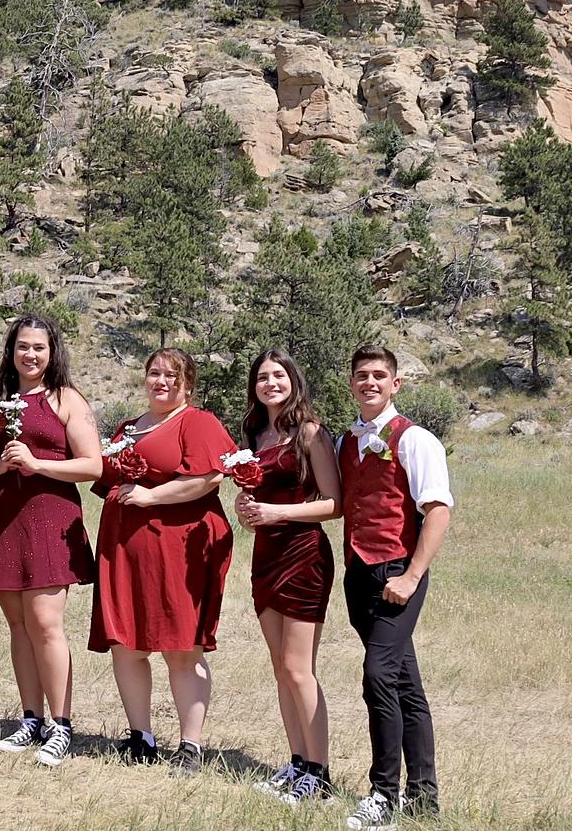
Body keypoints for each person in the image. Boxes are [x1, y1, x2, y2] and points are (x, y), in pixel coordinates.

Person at [90, 347, 235, 777]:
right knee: (127, 643)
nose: (162, 381)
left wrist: (151, 496)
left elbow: (207, 477)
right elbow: (104, 476)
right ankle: (142, 738)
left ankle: (190, 745)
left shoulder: (197, 422)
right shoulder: (128, 428)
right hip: (125, 548)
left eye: (172, 375)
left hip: (178, 548)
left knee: (181, 645)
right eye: (154, 373)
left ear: (188, 383)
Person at [0, 315, 100, 767]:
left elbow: (93, 465)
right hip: (2, 519)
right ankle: (31, 720)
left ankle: (61, 725)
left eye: (39, 348)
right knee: (18, 626)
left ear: (52, 352)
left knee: (45, 623)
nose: (30, 354)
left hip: (49, 518)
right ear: (11, 351)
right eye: (22, 346)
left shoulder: (65, 398)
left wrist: (38, 464)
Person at [340, 345, 453, 831]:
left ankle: (383, 795)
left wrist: (411, 576)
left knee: (378, 676)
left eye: (379, 375)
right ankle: (424, 798)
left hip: (398, 571)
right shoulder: (347, 441)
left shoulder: (415, 439)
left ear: (395, 384)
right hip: (358, 574)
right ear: (352, 384)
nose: (370, 382)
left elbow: (438, 511)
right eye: (362, 375)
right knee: (405, 683)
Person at [232, 349, 341, 804]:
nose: (270, 383)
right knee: (281, 669)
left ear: (293, 380)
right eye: (262, 377)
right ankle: (297, 762)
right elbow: (257, 499)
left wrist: (277, 513)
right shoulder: (255, 433)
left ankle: (320, 774)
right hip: (266, 555)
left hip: (303, 555)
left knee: (299, 669)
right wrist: (246, 510)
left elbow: (335, 504)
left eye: (279, 375)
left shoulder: (311, 432)